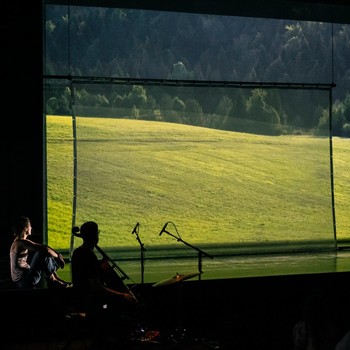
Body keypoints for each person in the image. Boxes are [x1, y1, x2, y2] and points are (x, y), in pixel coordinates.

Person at [9, 215, 70, 289]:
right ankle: (53, 280)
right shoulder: (20, 242)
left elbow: (43, 247)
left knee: (42, 251)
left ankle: (56, 279)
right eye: (30, 226)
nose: (31, 228)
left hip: (23, 280)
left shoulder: (18, 242)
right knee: (41, 253)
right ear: (25, 228)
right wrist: (58, 256)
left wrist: (57, 254)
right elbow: (45, 250)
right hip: (24, 281)